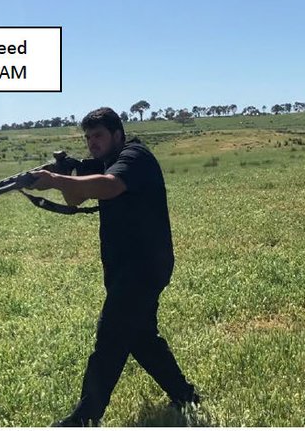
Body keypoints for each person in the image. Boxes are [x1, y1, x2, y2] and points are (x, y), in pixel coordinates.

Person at [27, 107, 199, 427]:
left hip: (144, 267)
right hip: (127, 266)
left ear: (117, 135)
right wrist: (66, 173)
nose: (93, 143)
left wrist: (55, 179)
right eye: (88, 137)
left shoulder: (134, 157)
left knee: (109, 339)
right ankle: (185, 395)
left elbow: (110, 186)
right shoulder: (104, 161)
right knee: (141, 336)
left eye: (99, 136)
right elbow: (76, 200)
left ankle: (84, 418)